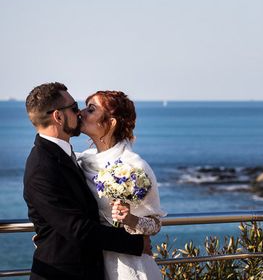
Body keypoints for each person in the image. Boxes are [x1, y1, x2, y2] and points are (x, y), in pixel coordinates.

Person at [23, 82, 149, 280]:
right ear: (58, 116)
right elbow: (77, 228)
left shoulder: (70, 155)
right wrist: (137, 244)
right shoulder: (41, 166)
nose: (80, 113)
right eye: (74, 108)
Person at [77, 90, 165, 280]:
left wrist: (130, 219)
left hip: (127, 262)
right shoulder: (81, 161)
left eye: (91, 110)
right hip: (90, 260)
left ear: (111, 122)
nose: (81, 112)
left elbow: (155, 224)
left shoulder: (134, 166)